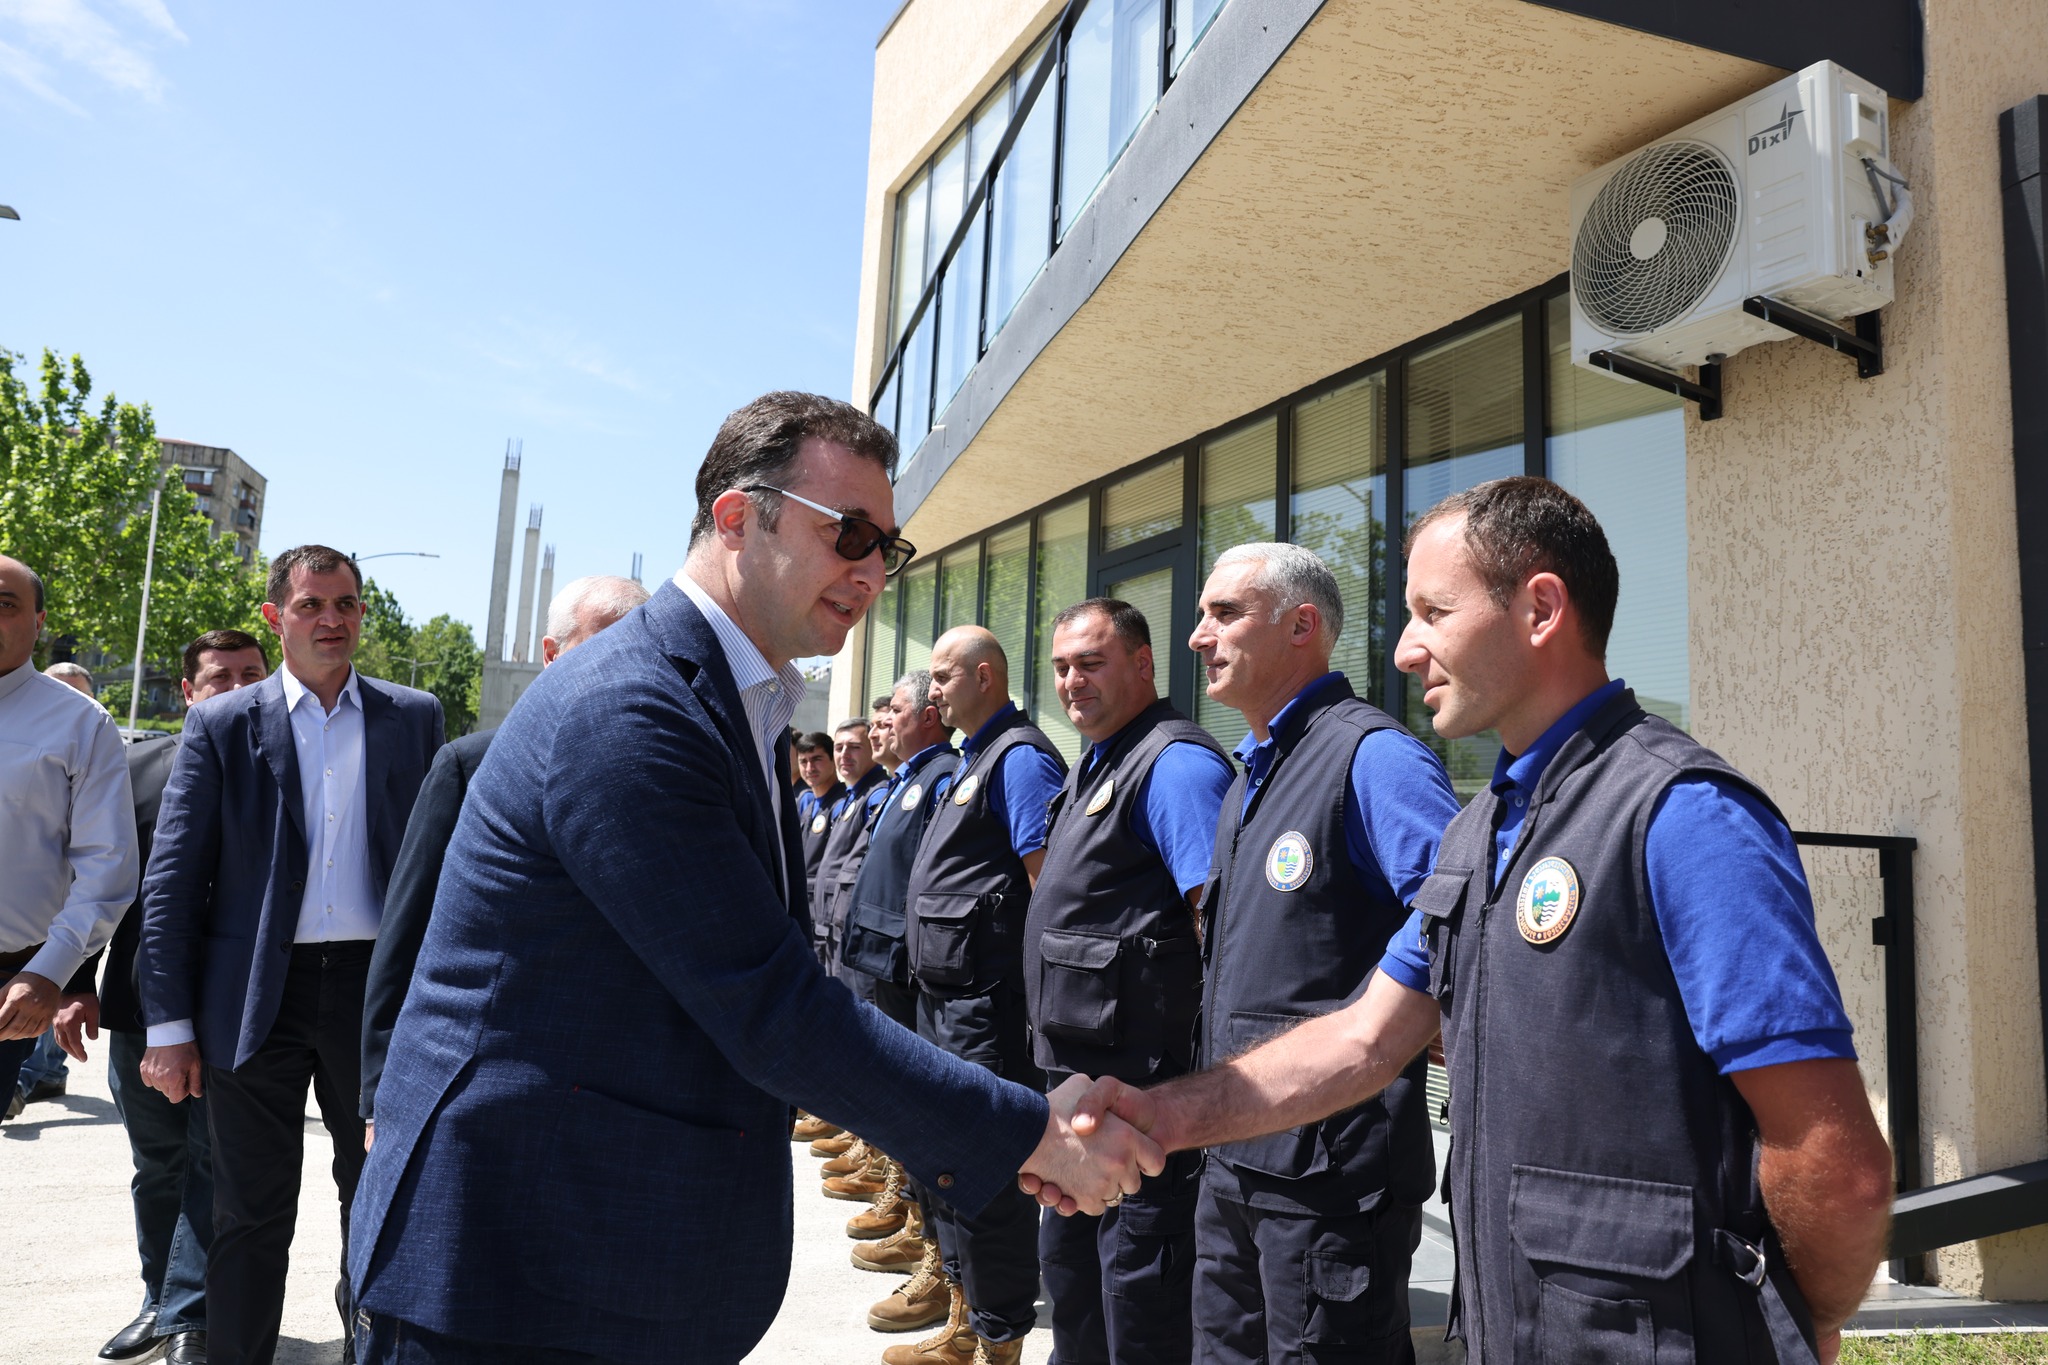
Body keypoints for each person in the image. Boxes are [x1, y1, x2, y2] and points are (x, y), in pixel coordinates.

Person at [345, 391, 1160, 1365]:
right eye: (849, 534)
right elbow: (769, 1005)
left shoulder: (737, 705)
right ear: (737, 518)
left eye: (888, 549)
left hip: (592, 1260)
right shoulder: (632, 706)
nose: (872, 572)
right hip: (510, 1275)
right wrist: (1029, 1132)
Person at [1040, 479, 1896, 1365]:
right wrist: (1156, 1115)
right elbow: (1361, 1040)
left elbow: (1835, 1162)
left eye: (1433, 613)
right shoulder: (1481, 831)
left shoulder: (1684, 815)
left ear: (1541, 609)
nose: (1405, 650)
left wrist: (1801, 1326)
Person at [137, 544, 445, 1365]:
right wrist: (168, 1025)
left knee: (378, 1197)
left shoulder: (414, 716)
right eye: (311, 604)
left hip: (377, 997)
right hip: (252, 999)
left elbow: (440, 869)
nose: (331, 620)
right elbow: (173, 882)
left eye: (345, 604)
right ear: (277, 616)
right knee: (249, 1211)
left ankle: (372, 1354)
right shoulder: (222, 723)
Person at [358, 574, 648, 1135]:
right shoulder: (469, 768)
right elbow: (408, 933)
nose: (623, 667)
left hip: (622, 1095)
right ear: (551, 654)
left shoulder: (668, 778)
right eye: (604, 647)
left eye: (638, 650)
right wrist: (382, 1090)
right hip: (486, 1086)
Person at [1026, 598, 1234, 1365]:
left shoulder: (1174, 765)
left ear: (1143, 664)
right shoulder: (1098, 759)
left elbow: (1223, 928)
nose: (1071, 681)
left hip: (1145, 1113)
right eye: (1061, 666)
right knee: (1078, 1298)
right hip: (1082, 1102)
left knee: (1139, 1315)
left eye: (1091, 662)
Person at [58, 629, 271, 1365]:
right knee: (158, 1162)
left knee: (215, 1160)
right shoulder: (135, 768)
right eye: (220, 678)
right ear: (187, 692)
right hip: (140, 1001)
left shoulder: (295, 767)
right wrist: (76, 983)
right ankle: (161, 1300)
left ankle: (190, 1317)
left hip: (245, 1008)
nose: (238, 688)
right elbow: (97, 881)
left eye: (252, 674)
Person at [878, 626, 1066, 1365]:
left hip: (987, 1012)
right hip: (945, 1002)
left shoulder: (1019, 759)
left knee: (987, 1177)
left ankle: (997, 1338)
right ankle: (962, 1314)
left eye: (943, 676)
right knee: (947, 1165)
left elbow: (1048, 890)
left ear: (986, 676)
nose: (932, 692)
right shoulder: (974, 759)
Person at [0, 554, 139, 1122]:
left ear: (38, 623)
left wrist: (48, 973)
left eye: (5, 604)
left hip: (9, 986)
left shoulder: (82, 723)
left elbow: (108, 870)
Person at [801, 717, 885, 978]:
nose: (844, 755)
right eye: (839, 748)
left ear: (872, 747)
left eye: (854, 747)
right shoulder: (854, 795)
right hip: (828, 917)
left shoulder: (877, 795)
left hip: (848, 920)